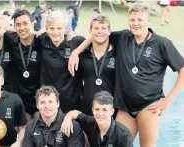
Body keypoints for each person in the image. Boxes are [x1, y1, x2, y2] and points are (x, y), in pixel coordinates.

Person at [68, 3, 184, 147]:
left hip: (148, 105)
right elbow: (99, 34)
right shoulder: (123, 36)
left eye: (140, 20)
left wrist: (168, 100)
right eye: (132, 20)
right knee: (116, 144)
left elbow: (182, 69)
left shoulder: (162, 44)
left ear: (148, 21)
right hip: (124, 107)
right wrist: (76, 51)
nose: (136, 23)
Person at [37, 11, 85, 113]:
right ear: (46, 28)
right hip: (48, 101)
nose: (55, 32)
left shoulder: (75, 42)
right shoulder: (42, 40)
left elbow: (93, 38)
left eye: (59, 28)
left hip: (71, 100)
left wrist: (76, 51)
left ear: (66, 28)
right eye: (52, 28)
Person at [61, 91, 133, 147]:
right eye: (97, 109)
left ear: (112, 111)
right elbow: (76, 113)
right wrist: (67, 118)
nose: (100, 114)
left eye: (104, 110)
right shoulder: (90, 122)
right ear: (92, 110)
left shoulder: (124, 135)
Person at [77, 15, 115, 116]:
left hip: (109, 110)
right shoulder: (83, 54)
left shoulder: (117, 53)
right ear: (90, 31)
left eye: (103, 28)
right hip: (87, 108)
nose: (100, 31)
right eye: (96, 28)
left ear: (109, 31)